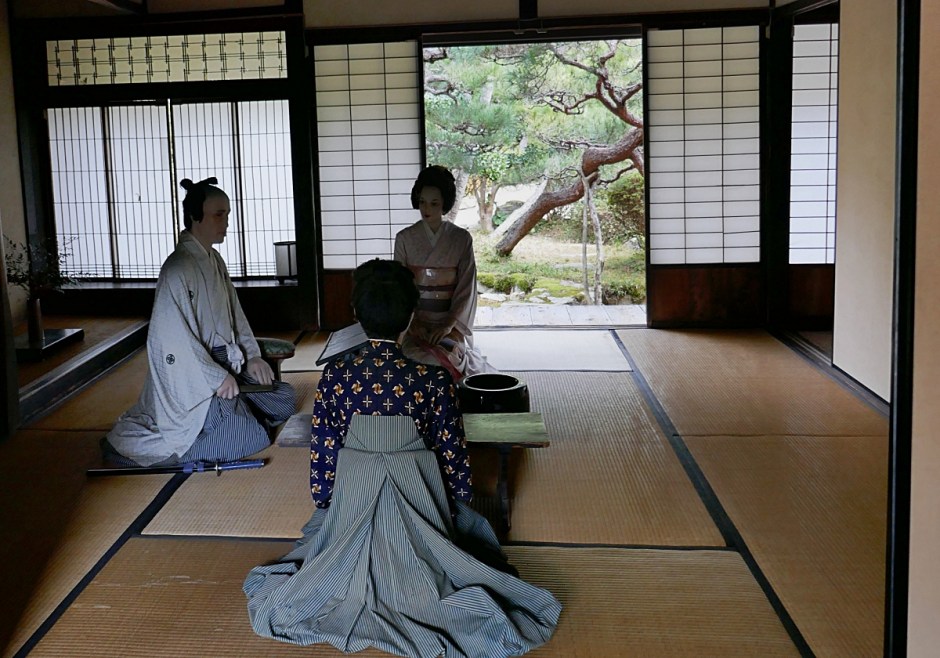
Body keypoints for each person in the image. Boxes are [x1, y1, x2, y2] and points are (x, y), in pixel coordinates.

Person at [243, 260, 561, 657]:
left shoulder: (336, 376)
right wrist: (455, 507)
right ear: (411, 316)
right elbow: (451, 454)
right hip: (418, 503)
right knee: (469, 546)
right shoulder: (433, 380)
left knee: (322, 539)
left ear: (356, 314)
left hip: (353, 500)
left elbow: (325, 450)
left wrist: (328, 504)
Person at [103, 177, 295, 467]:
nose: (226, 222)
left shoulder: (214, 260)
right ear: (195, 216)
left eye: (227, 214)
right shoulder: (177, 269)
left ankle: (235, 415)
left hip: (228, 366)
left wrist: (253, 356)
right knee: (251, 435)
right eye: (219, 215)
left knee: (285, 398)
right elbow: (173, 341)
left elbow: (235, 314)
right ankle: (198, 442)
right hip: (194, 376)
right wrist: (215, 378)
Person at [394, 165, 492, 380]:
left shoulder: (461, 239)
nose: (426, 209)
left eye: (434, 203)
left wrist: (449, 324)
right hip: (415, 324)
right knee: (410, 359)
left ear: (445, 203)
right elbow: (399, 289)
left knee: (446, 359)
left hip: (449, 325)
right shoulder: (404, 238)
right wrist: (413, 323)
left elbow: (466, 288)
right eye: (422, 202)